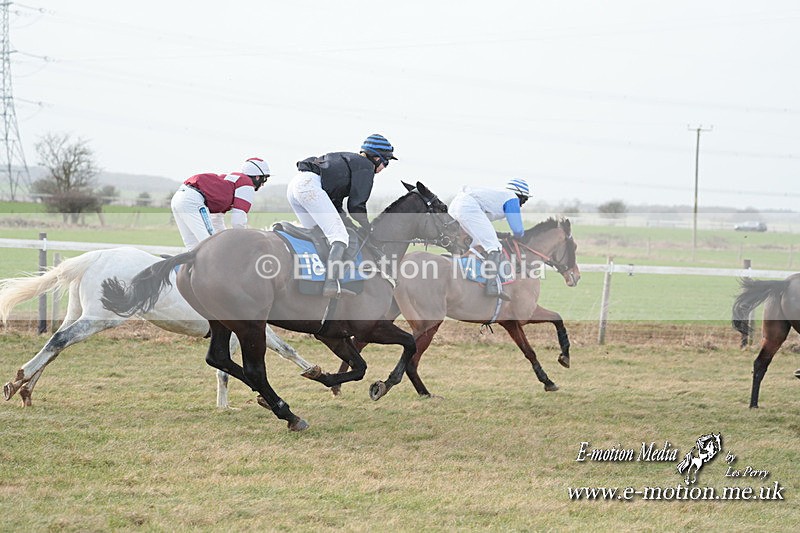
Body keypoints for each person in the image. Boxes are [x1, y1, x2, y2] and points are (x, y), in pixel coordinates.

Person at [287, 134, 396, 298]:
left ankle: (315, 277)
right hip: (310, 187)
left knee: (319, 234)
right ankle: (331, 283)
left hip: (296, 186)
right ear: (376, 157)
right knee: (339, 237)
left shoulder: (351, 163)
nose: (384, 167)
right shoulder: (366, 166)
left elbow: (335, 205)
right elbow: (356, 205)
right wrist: (368, 227)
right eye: (385, 162)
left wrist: (348, 223)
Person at [449, 178, 530, 301]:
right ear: (520, 196)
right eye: (524, 200)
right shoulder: (512, 197)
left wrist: (501, 234)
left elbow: (482, 227)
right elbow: (518, 229)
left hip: (456, 205)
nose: (522, 205)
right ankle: (492, 286)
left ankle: (460, 268)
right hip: (467, 207)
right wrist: (521, 237)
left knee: (478, 244)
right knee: (495, 247)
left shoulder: (498, 197)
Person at [170, 157, 270, 250]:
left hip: (179, 197)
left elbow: (216, 220)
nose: (263, 184)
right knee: (210, 247)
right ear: (257, 177)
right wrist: (243, 241)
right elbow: (238, 221)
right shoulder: (246, 184)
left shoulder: (230, 180)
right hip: (193, 200)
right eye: (264, 178)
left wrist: (225, 240)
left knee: (194, 248)